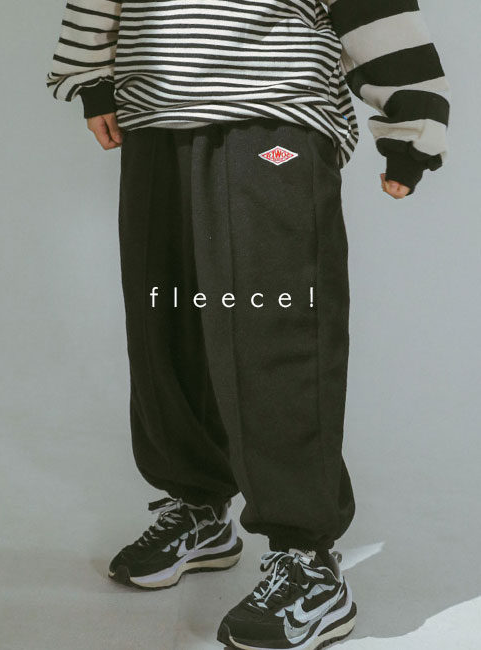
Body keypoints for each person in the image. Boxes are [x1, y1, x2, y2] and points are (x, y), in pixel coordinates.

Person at [46, 0, 450, 647]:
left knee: (273, 335)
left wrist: (413, 120)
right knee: (165, 325)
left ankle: (308, 558)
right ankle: (200, 506)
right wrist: (93, 74)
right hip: (156, 110)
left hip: (273, 112)